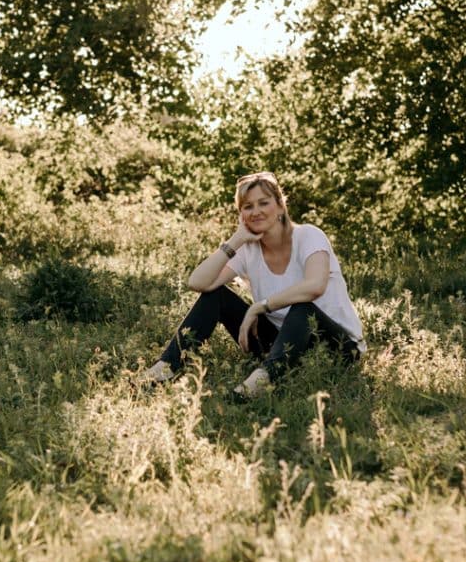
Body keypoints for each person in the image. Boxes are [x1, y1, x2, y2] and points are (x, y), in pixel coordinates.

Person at [140, 171, 366, 399]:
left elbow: (315, 286)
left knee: (303, 308)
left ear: (280, 206)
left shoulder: (308, 236)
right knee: (215, 295)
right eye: (247, 206)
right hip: (282, 344)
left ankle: (260, 382)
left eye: (263, 203)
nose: (256, 211)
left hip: (336, 346)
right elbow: (198, 282)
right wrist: (236, 240)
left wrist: (259, 307)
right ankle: (165, 368)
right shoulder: (248, 249)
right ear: (241, 214)